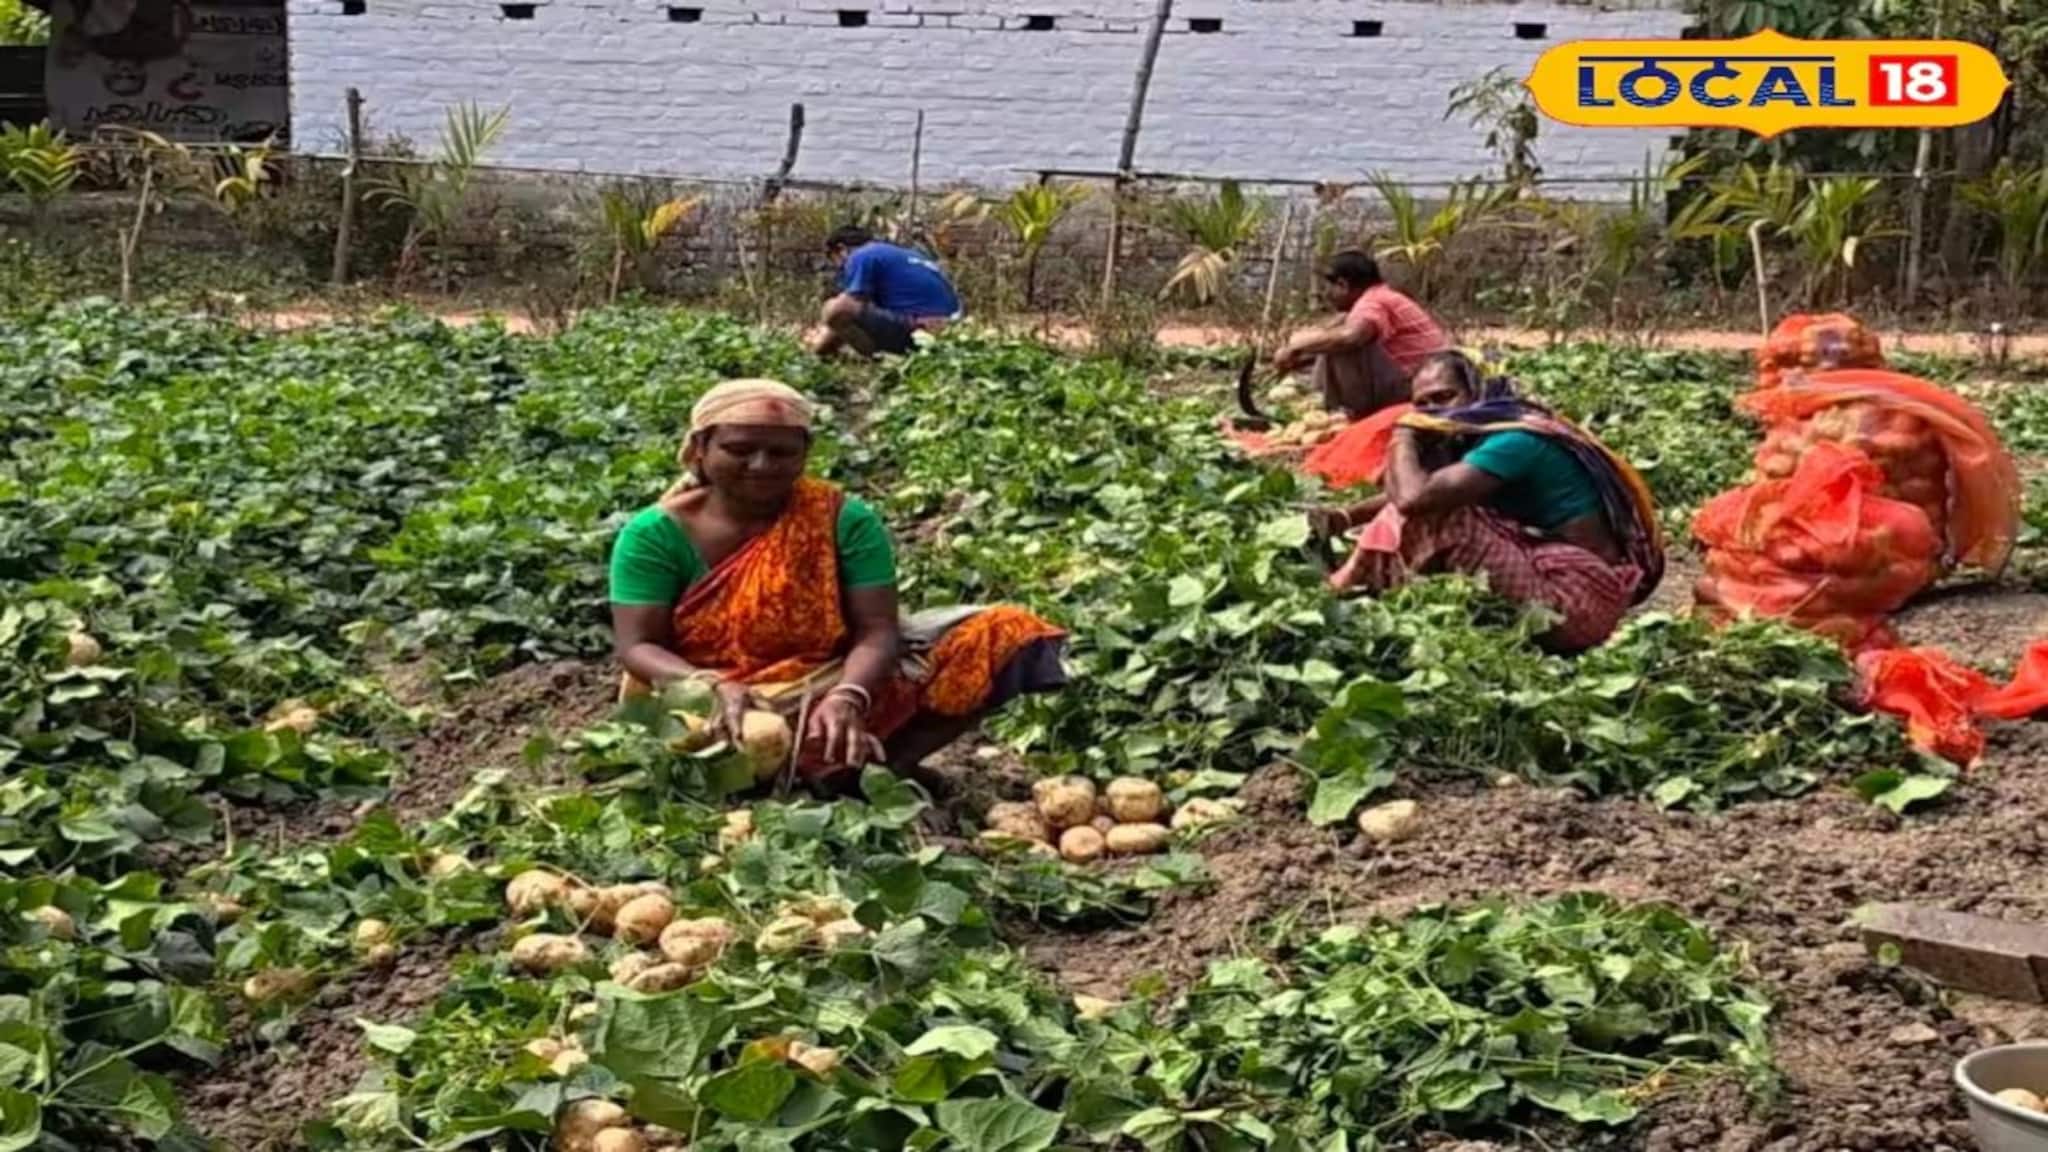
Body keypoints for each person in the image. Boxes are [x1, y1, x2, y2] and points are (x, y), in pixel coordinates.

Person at [608, 378, 1066, 788]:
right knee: (735, 748)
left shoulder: (841, 518)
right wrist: (713, 686)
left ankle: (885, 771)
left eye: (782, 452)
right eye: (740, 449)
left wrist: (849, 695)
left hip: (824, 679)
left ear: (805, 454)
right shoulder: (654, 533)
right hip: (708, 693)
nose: (762, 465)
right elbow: (638, 647)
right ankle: (824, 770)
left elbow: (877, 629)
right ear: (701, 450)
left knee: (1005, 633)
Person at [1309, 351, 1664, 653]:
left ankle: (1339, 594)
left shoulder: (1514, 440)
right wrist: (1344, 517)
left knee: (1440, 516)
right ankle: (1350, 592)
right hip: (1559, 587)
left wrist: (1403, 434)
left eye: (1444, 398)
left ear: (1477, 393)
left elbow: (1414, 498)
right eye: (1423, 404)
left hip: (1577, 601)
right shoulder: (1492, 433)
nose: (1433, 412)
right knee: (1431, 507)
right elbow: (1426, 488)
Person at [1270, 250, 1451, 419]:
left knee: (1341, 343)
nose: (1328, 294)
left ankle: (1346, 414)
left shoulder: (1372, 301)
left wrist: (1296, 347)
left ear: (1343, 285)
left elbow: (1351, 338)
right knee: (1333, 333)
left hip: (1419, 387)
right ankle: (1320, 404)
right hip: (1430, 380)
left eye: (1330, 288)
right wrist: (1304, 356)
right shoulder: (1383, 296)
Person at [809, 226, 963, 359]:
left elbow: (847, 309)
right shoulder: (909, 255)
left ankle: (877, 358)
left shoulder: (861, 255)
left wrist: (819, 348)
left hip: (922, 330)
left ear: (841, 250)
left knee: (834, 307)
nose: (839, 267)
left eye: (833, 259)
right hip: (950, 332)